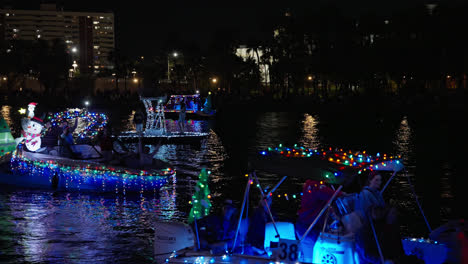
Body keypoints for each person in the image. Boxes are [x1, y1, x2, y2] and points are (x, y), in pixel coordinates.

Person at [355, 171, 405, 264]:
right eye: (376, 180)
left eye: (380, 180)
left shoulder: (377, 194)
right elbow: (367, 212)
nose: (379, 182)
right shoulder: (365, 194)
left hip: (379, 223)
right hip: (369, 224)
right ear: (370, 181)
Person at [295, 180, 343, 262]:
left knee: (312, 256)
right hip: (309, 228)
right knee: (310, 258)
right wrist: (343, 194)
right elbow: (331, 194)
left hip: (307, 226)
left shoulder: (310, 185)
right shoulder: (315, 186)